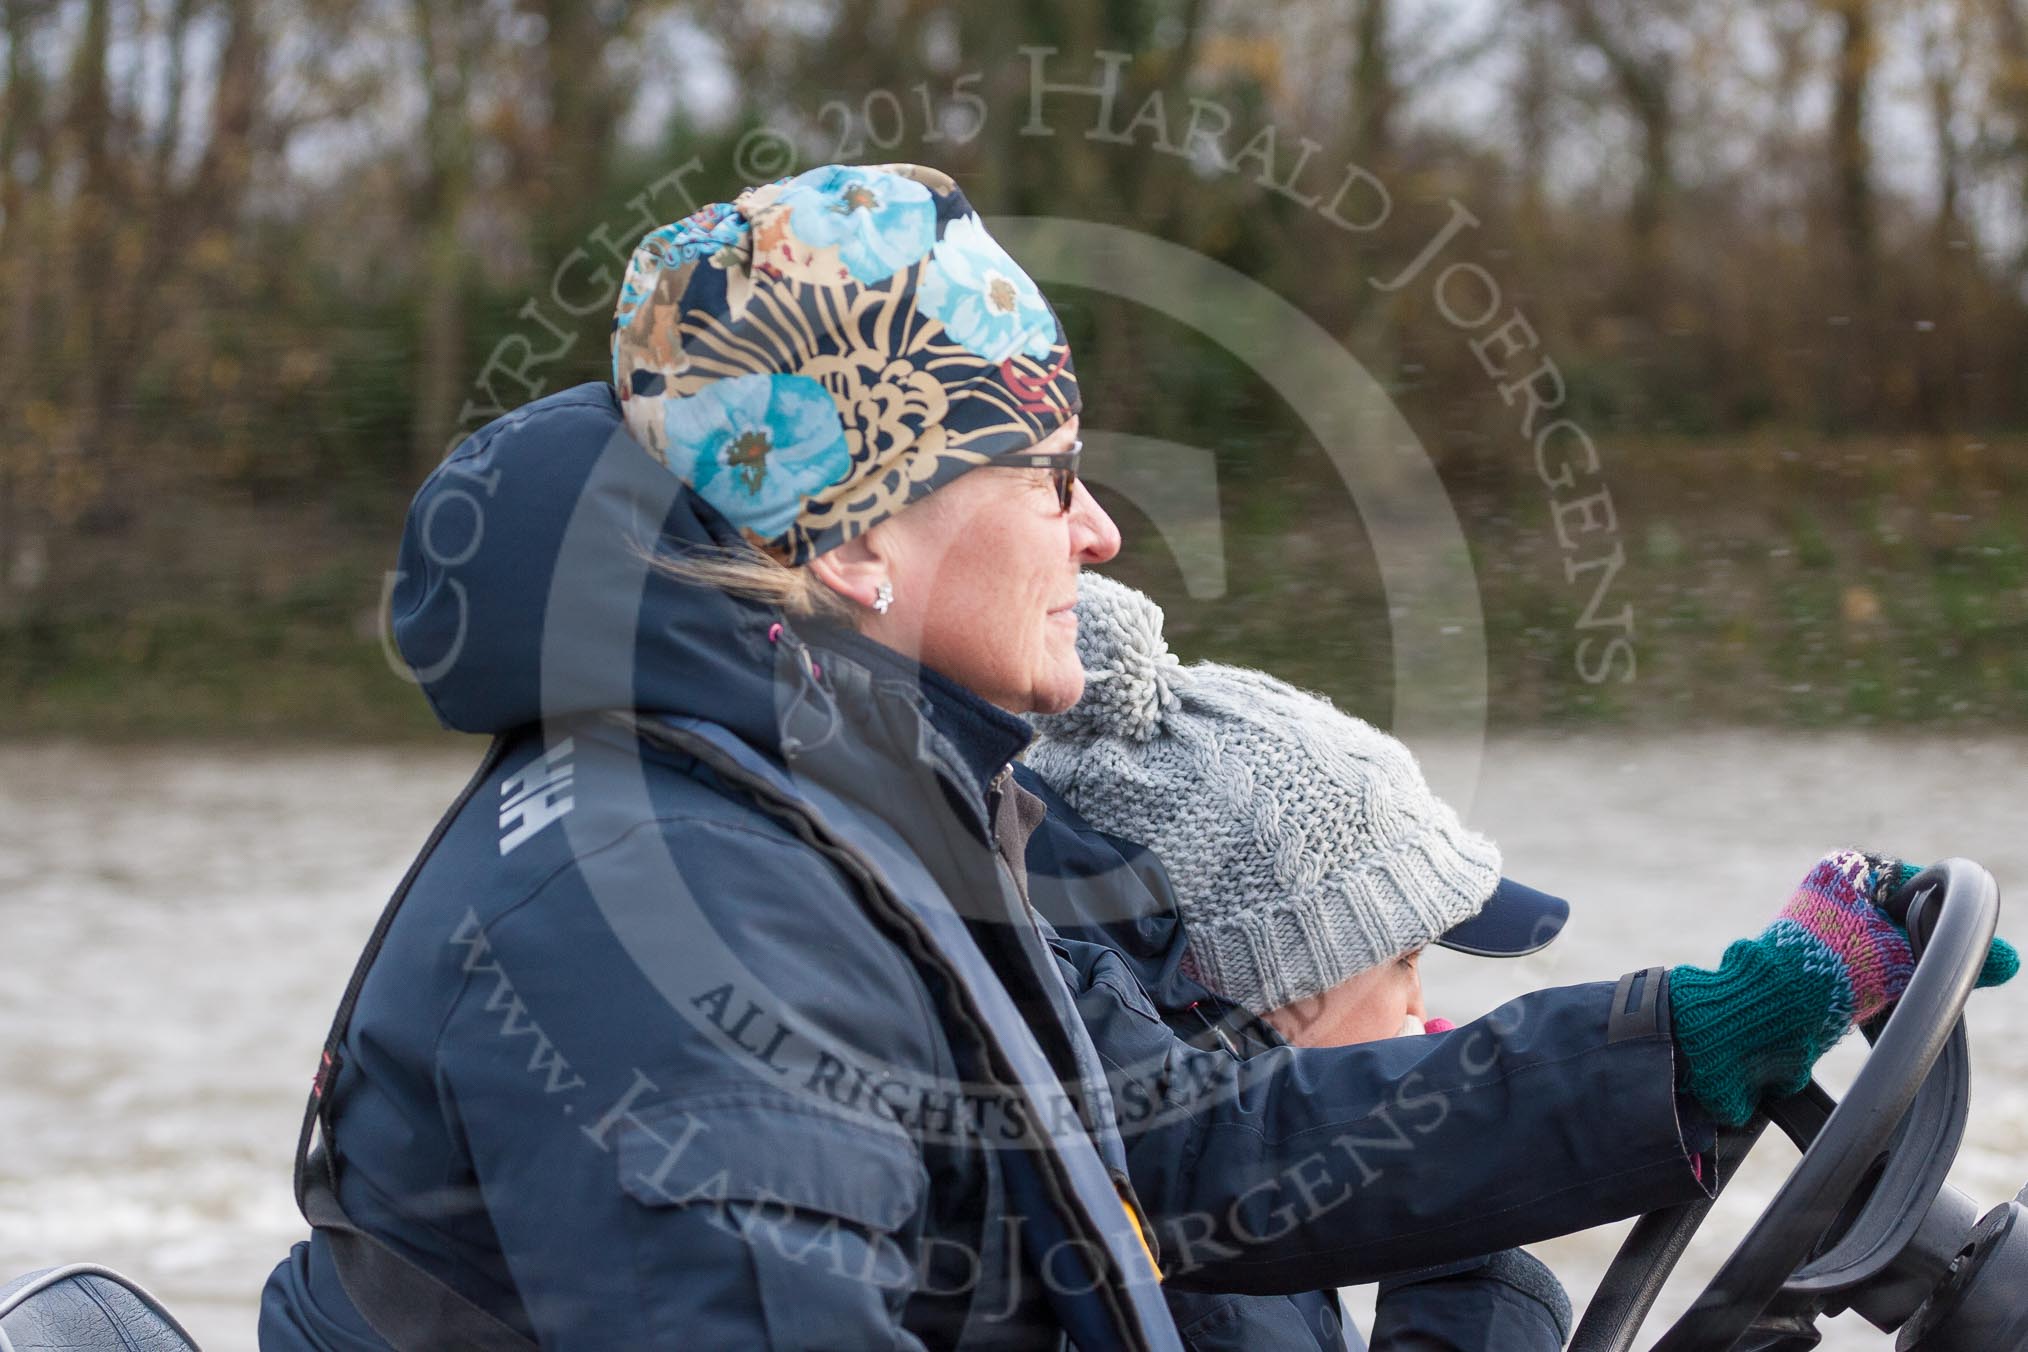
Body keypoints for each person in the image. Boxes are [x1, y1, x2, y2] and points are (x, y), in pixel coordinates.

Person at [258, 161, 2014, 1350]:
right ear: (858, 542)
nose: (1096, 533)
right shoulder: (674, 911)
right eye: (1047, 473)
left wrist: (1698, 1042)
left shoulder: (871, 812)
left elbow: (1200, 1152)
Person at [1021, 571, 1581, 1350]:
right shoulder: (1207, 1298)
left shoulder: (1218, 1222)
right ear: (1269, 993)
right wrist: (1462, 1248)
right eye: (1405, 961)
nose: (1423, 999)